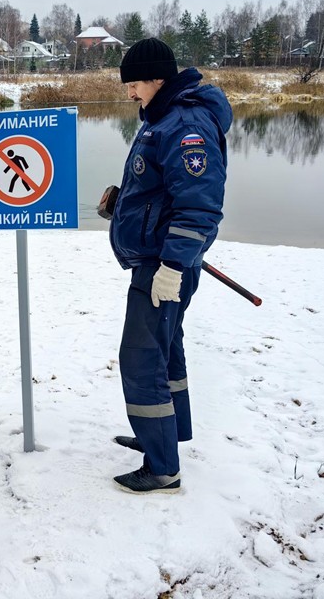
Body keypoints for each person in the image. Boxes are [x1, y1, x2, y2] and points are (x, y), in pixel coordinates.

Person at [102, 37, 232, 494]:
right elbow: (161, 191)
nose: (130, 93)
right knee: (164, 348)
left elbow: (198, 207)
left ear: (157, 78)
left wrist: (172, 268)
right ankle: (165, 433)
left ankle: (161, 468)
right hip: (161, 259)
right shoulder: (163, 117)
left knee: (141, 357)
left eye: (134, 84)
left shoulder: (186, 125)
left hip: (164, 267)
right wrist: (123, 208)